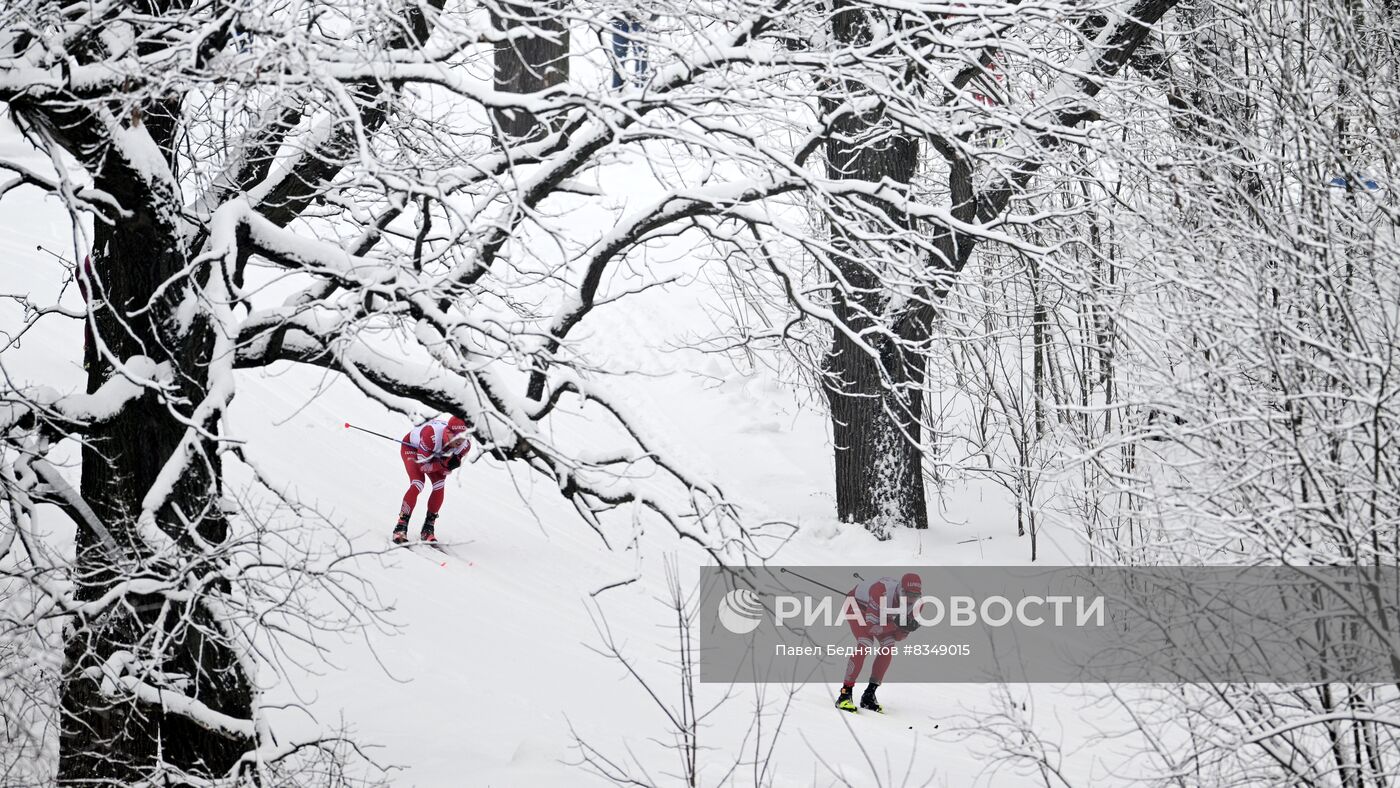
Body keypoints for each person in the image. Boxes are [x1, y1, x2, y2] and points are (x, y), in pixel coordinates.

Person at [835, 572, 922, 713]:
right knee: (866, 642)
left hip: (882, 614)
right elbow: (871, 629)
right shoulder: (880, 592)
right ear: (901, 590)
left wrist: (906, 629)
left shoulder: (917, 605)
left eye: (915, 596)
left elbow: (898, 637)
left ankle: (869, 695)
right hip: (857, 605)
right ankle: (845, 694)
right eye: (908, 595)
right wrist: (896, 624)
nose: (910, 600)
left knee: (889, 646)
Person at [392, 415, 472, 544]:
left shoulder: (464, 445)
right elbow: (423, 467)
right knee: (418, 483)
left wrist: (447, 466)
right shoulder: (431, 435)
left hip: (435, 454)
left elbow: (446, 471)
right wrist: (441, 464)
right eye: (456, 437)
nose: (459, 441)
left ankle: (428, 527)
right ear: (447, 432)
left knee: (439, 484)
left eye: (463, 437)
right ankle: (401, 526)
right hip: (413, 449)